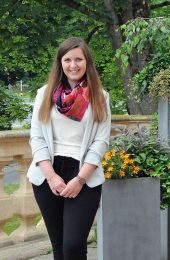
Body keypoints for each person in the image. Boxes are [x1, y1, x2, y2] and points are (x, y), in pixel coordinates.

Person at [27, 37, 111, 260]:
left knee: (74, 244)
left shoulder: (100, 97)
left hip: (84, 174)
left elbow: (101, 142)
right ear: (60, 63)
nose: (73, 65)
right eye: (67, 60)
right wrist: (52, 176)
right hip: (48, 174)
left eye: (78, 59)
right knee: (59, 245)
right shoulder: (44, 94)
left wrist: (80, 179)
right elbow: (36, 137)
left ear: (87, 62)